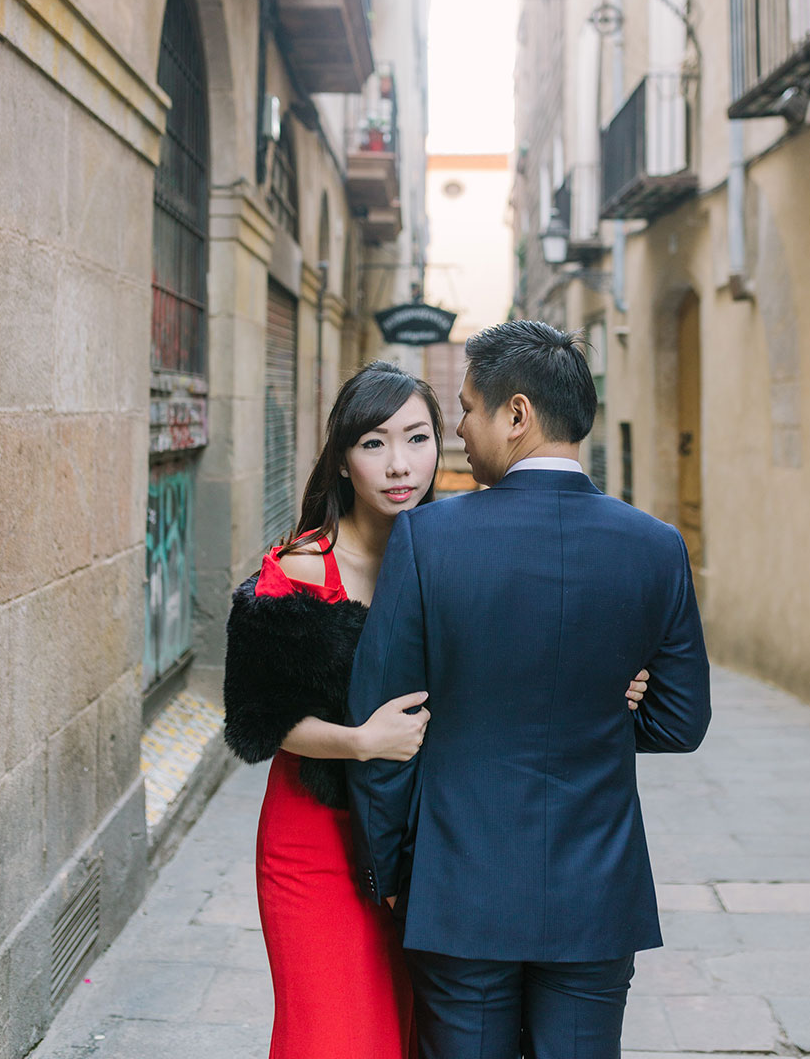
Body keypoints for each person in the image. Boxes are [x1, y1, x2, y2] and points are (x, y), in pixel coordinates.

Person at [223, 358, 650, 1059]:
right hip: (321, 843)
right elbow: (255, 720)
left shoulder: (459, 551)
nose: (399, 465)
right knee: (338, 1037)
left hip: (438, 848)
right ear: (340, 461)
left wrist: (621, 685)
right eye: (373, 443)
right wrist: (361, 742)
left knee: (418, 1037)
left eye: (417, 438)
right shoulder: (304, 567)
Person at [346, 321, 711, 1059]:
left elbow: (383, 718)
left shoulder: (428, 539)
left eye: (468, 408)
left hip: (458, 885)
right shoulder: (656, 546)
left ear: (515, 415)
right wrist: (606, 713)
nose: (459, 427)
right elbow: (680, 722)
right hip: (596, 892)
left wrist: (387, 867)